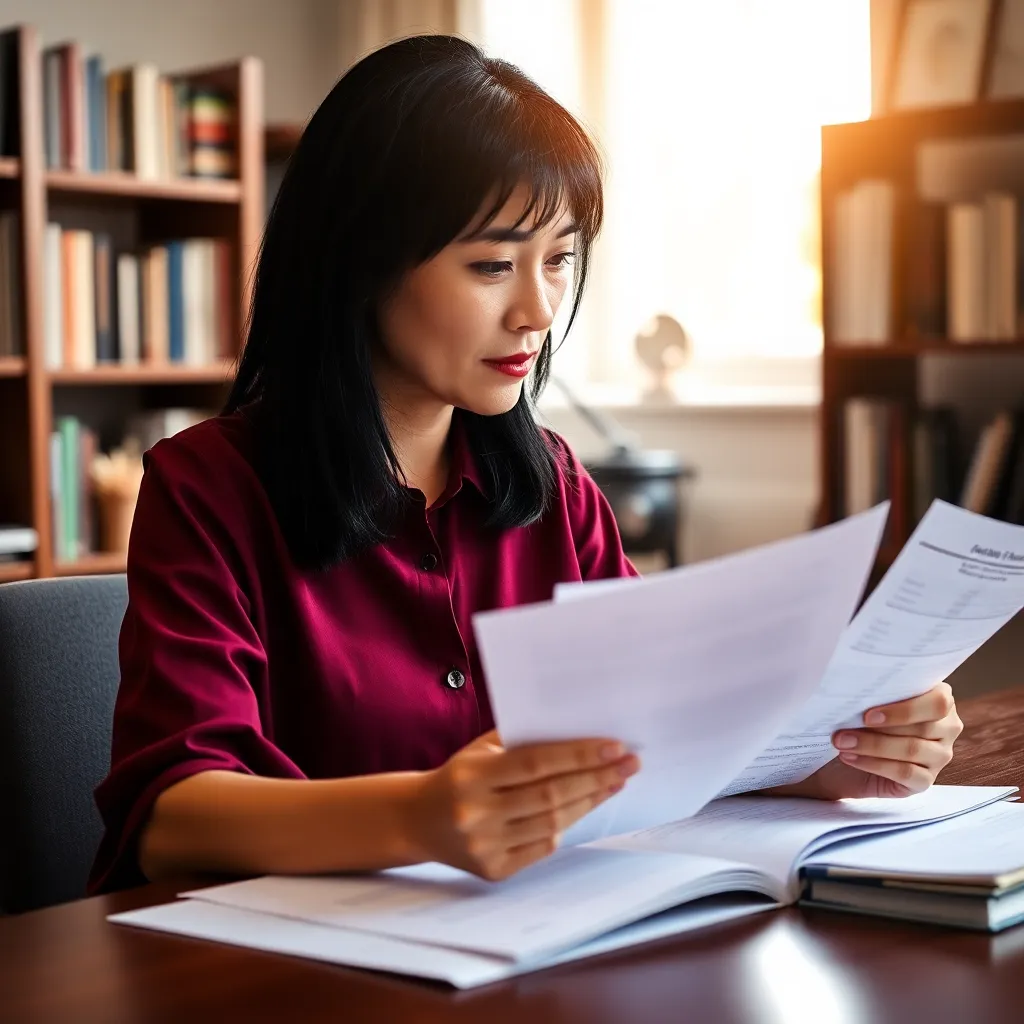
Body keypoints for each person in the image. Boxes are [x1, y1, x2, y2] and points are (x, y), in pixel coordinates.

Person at [89, 35, 962, 895]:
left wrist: (833, 760)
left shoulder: (556, 485)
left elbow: (655, 744)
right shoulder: (208, 487)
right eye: (494, 265)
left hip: (530, 951)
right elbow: (173, 818)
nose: (537, 311)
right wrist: (420, 817)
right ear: (359, 261)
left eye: (559, 261)